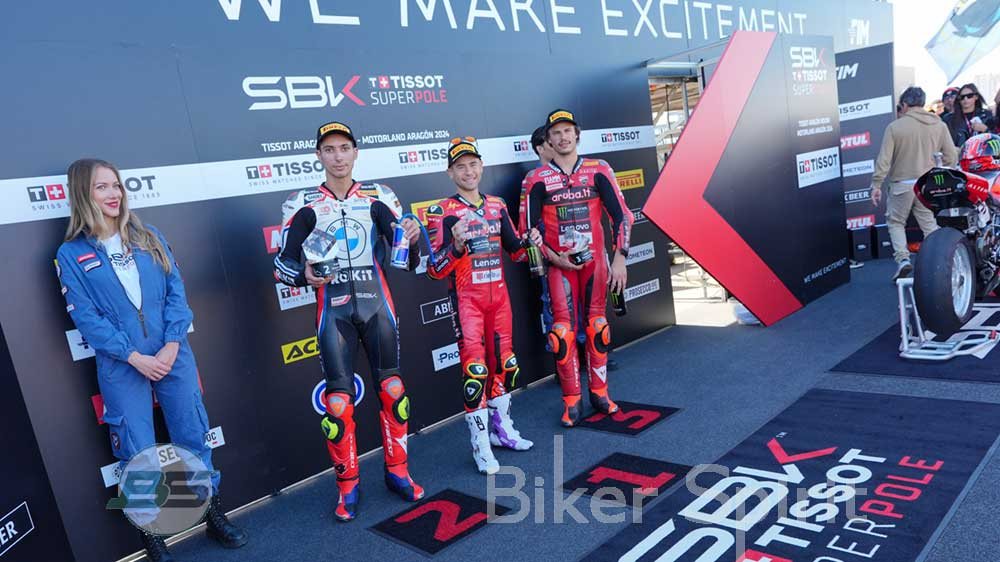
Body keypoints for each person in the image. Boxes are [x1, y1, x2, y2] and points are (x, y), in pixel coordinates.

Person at [56, 159, 248, 562]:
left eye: (116, 185)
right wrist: (132, 356)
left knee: (193, 434)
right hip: (121, 364)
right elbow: (86, 318)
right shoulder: (71, 254)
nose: (113, 194)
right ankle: (151, 534)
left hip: (173, 353)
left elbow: (177, 293)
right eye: (101, 187)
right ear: (82, 194)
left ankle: (212, 514)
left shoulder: (149, 236)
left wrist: (173, 343)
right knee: (137, 450)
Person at [274, 121, 424, 522]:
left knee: (393, 390)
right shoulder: (302, 204)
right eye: (329, 149)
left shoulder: (380, 196)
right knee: (338, 405)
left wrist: (413, 239)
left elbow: (408, 259)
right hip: (333, 312)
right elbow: (282, 264)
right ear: (318, 155)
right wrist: (303, 276)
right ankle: (348, 486)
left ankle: (398, 472)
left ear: (356, 152)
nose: (337, 156)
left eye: (344, 148)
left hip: (378, 307)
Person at [426, 137, 534, 475]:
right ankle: (480, 445)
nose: (468, 171)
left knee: (504, 365)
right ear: (450, 173)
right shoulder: (442, 211)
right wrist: (456, 247)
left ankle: (502, 431)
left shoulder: (497, 205)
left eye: (473, 164)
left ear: (481, 167)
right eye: (460, 167)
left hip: (499, 300)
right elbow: (434, 269)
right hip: (467, 302)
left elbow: (516, 252)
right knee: (475, 373)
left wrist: (531, 242)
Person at [523, 109, 633, 427]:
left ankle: (600, 393)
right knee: (562, 333)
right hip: (559, 266)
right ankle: (572, 400)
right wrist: (554, 257)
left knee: (598, 327)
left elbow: (622, 216)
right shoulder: (536, 179)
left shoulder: (599, 169)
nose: (563, 137)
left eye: (567, 130)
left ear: (577, 134)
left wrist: (620, 258)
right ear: (548, 140)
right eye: (556, 133)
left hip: (595, 264)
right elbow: (527, 232)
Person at [871, 87, 958, 281]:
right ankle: (941, 263)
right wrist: (941, 173)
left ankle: (903, 259)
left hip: (902, 184)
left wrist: (876, 184)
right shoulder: (939, 125)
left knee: (896, 222)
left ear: (904, 104)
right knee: (929, 224)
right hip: (927, 185)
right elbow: (951, 156)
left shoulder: (895, 127)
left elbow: (884, 160)